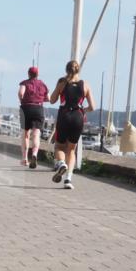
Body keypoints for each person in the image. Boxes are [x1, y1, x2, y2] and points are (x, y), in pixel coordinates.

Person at [49, 60, 95, 190]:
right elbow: (92, 106)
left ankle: (61, 163)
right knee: (71, 150)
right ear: (78, 70)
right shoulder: (85, 84)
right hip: (77, 118)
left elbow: (52, 100)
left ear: (66, 69)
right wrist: (82, 110)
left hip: (64, 116)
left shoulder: (62, 82)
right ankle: (68, 179)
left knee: (59, 146)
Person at [18, 66, 48, 168]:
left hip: (26, 108)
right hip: (38, 108)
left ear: (28, 74)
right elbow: (47, 98)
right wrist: (39, 98)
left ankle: (24, 159)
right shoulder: (43, 84)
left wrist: (22, 100)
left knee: (26, 134)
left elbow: (21, 93)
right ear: (37, 74)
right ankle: (34, 154)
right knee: (36, 134)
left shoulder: (24, 83)